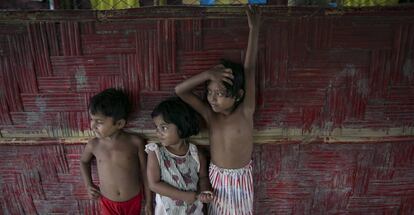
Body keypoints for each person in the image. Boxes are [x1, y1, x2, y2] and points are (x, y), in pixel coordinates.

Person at [175, 6, 261, 215]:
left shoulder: (245, 111)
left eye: (220, 93)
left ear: (238, 95)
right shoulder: (209, 115)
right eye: (210, 91)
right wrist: (207, 74)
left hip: (240, 179)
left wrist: (254, 29)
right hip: (216, 179)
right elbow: (180, 91)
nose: (212, 98)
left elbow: (249, 69)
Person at [80, 88, 152, 215]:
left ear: (119, 123)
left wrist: (149, 202)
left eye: (99, 122)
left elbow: (146, 173)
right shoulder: (94, 145)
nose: (92, 126)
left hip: (133, 201)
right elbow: (83, 162)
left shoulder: (135, 143)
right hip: (107, 202)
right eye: (92, 119)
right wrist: (88, 185)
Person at [146, 97, 213, 215]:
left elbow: (203, 178)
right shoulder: (156, 153)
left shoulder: (196, 154)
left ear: (181, 127)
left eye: (164, 127)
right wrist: (183, 196)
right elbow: (153, 184)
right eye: (157, 127)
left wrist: (205, 191)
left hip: (193, 210)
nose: (158, 132)